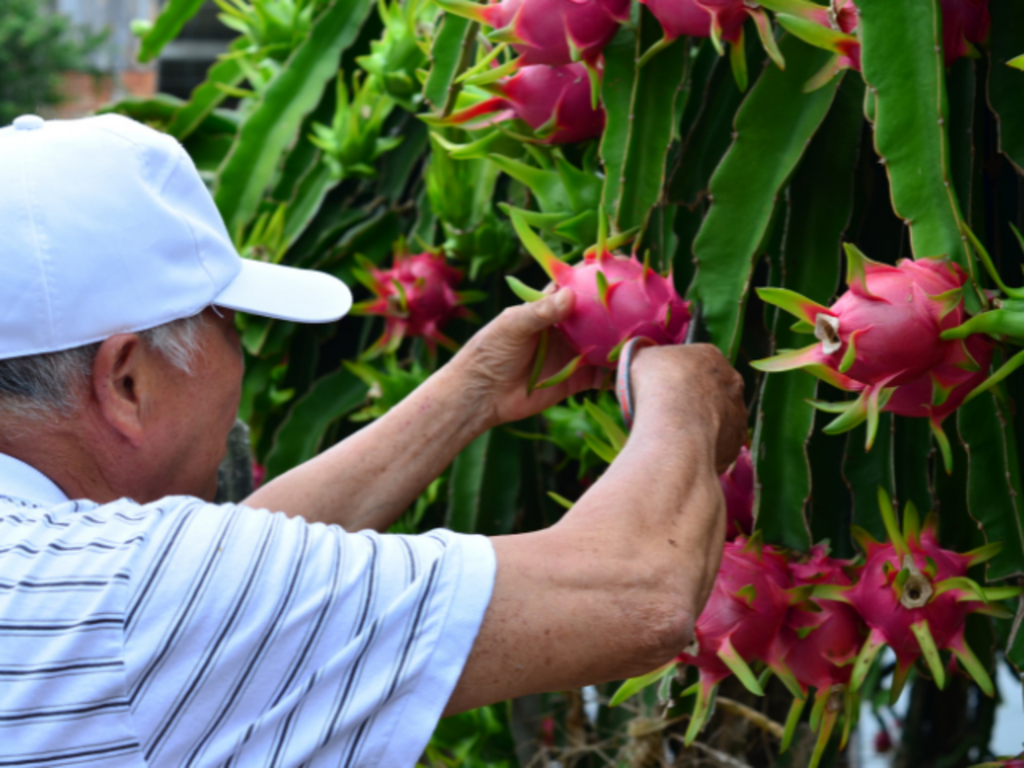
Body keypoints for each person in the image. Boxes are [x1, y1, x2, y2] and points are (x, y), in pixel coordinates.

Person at [0, 114, 747, 766]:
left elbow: (232, 580)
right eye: (227, 321)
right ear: (127, 382)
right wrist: (685, 399)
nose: (240, 353)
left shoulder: (56, 580)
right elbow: (636, 592)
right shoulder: (128, 606)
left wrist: (471, 394)